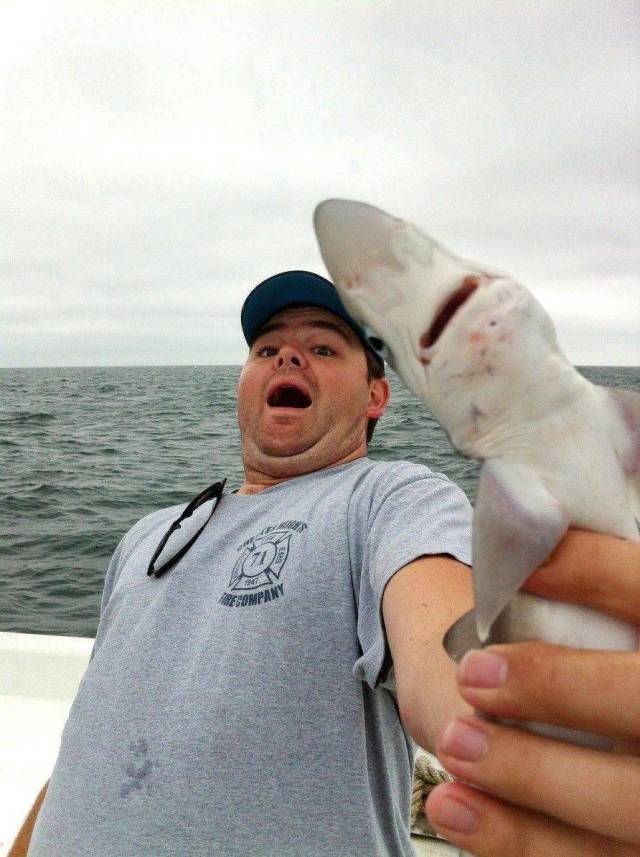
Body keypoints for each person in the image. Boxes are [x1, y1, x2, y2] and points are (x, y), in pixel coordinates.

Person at [12, 271, 639, 856]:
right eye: (266, 349)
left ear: (376, 396)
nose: (287, 357)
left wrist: (545, 718)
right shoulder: (149, 535)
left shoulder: (391, 501)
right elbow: (95, 727)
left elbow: (444, 658)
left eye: (323, 348)